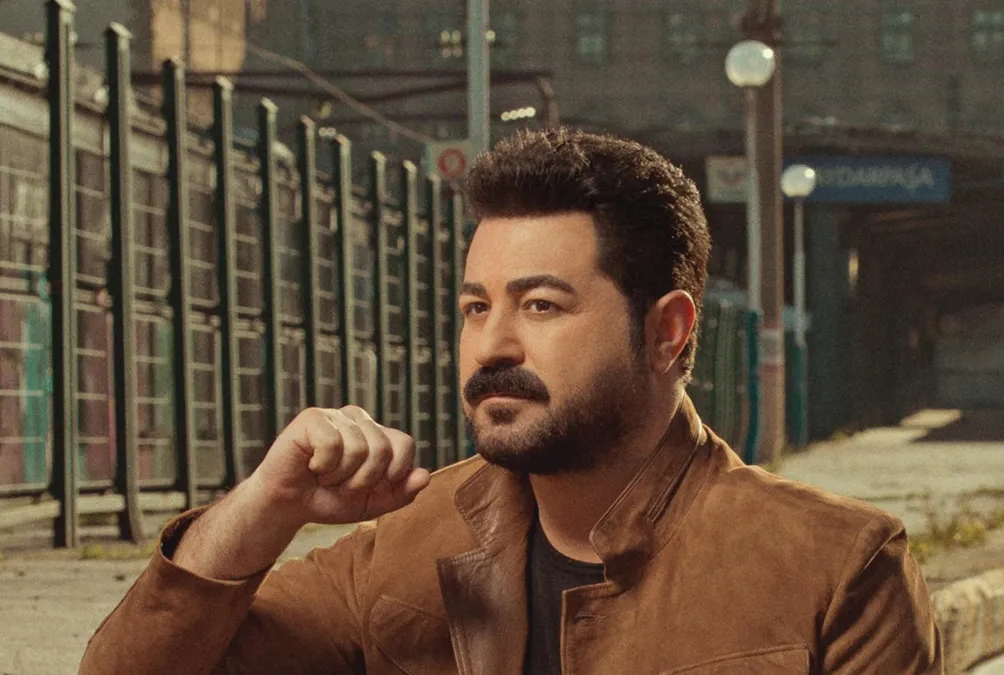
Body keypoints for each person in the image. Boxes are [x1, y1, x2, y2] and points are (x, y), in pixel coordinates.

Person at [80, 129, 942, 675]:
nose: (491, 344)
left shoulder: (836, 567)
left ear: (666, 331)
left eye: (541, 305)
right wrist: (267, 504)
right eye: (475, 307)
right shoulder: (405, 545)